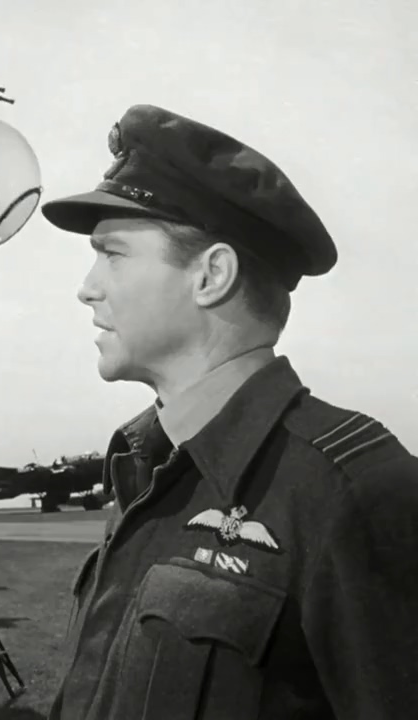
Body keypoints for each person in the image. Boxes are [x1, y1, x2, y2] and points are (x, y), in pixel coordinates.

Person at [41, 104, 418, 720]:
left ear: (212, 275)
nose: (87, 286)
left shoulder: (357, 492)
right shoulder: (147, 466)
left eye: (112, 254)